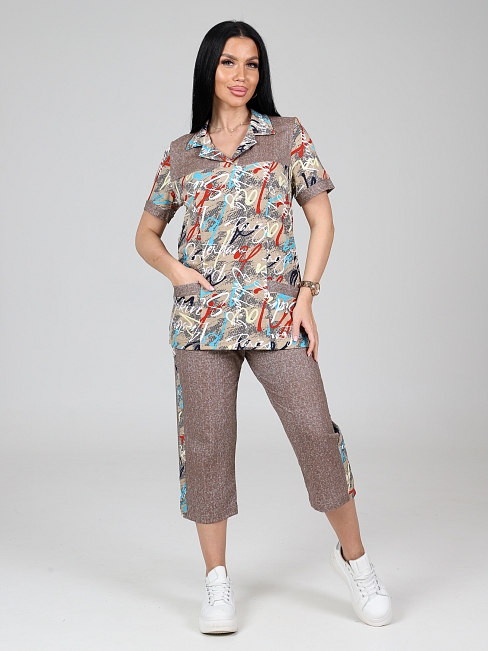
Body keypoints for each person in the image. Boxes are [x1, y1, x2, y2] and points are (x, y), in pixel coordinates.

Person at [135, 20, 392, 634]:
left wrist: (308, 296)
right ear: (209, 69)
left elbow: (323, 221)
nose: (241, 75)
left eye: (251, 64)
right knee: (206, 446)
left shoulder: (285, 136)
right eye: (229, 62)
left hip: (277, 315)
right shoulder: (181, 152)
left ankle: (355, 562)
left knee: (315, 432)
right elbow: (145, 234)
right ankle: (216, 580)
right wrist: (177, 272)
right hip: (202, 324)